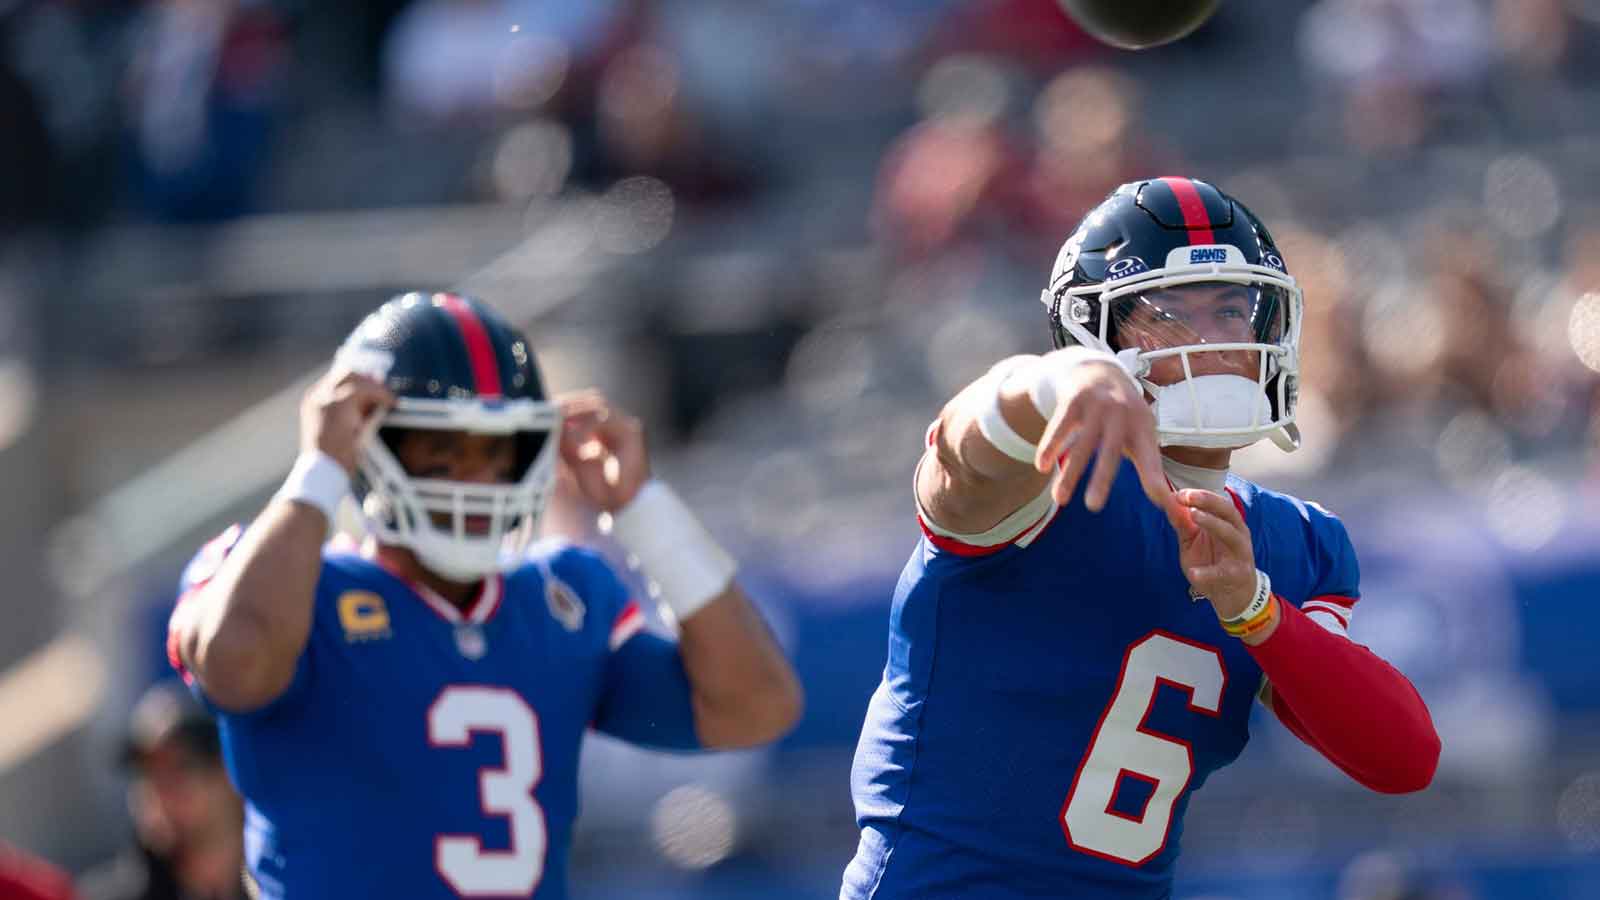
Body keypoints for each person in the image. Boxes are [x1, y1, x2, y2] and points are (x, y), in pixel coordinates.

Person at [842, 177, 1440, 899]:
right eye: (1168, 313)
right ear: (1095, 334)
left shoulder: (1292, 543)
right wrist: (1055, 384)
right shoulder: (1049, 474)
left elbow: (1403, 759)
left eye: (1230, 308)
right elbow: (961, 449)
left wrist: (1257, 611)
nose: (1213, 339)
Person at [166, 291, 803, 899]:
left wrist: (645, 511)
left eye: (495, 451)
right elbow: (235, 664)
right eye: (442, 450)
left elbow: (757, 705)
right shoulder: (286, 582)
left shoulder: (561, 599)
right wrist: (316, 473)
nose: (474, 477)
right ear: (363, 444)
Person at [79, 682, 249, 900]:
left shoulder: (285, 877)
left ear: (227, 774)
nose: (157, 793)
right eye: (146, 775)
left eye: (178, 771)